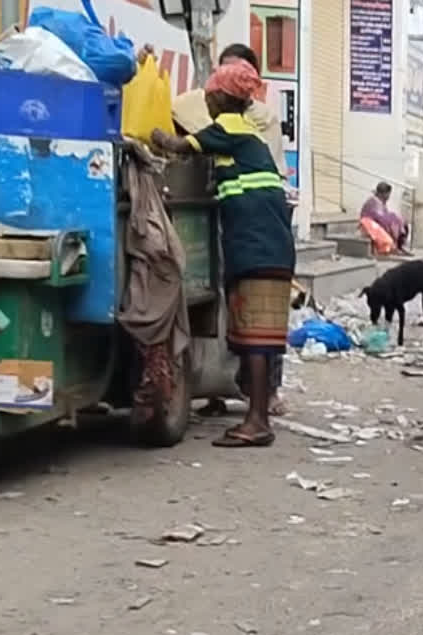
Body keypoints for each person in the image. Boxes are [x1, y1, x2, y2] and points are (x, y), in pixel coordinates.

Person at [151, 60, 296, 447]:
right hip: (269, 245)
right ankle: (257, 416)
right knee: (256, 338)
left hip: (258, 247)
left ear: (219, 97)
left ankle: (257, 421)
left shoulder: (227, 129)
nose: (207, 103)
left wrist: (154, 137)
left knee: (255, 339)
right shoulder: (249, 134)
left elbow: (179, 145)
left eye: (209, 96)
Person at [360, 182, 411, 253]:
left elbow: (384, 215)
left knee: (403, 223)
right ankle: (395, 247)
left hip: (378, 222)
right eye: (388, 194)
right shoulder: (373, 202)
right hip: (370, 224)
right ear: (382, 193)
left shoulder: (381, 201)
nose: (388, 196)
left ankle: (399, 246)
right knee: (395, 223)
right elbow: (378, 216)